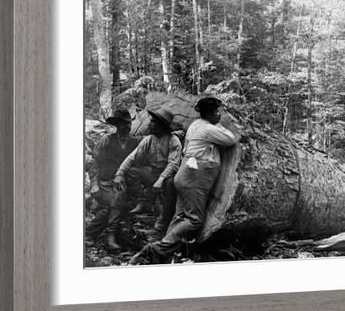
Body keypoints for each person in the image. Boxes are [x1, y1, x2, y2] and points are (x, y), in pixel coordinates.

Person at [129, 97, 238, 264]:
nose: (219, 115)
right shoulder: (208, 128)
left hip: (185, 174)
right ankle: (156, 249)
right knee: (194, 220)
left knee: (180, 217)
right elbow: (231, 138)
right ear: (209, 114)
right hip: (195, 177)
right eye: (217, 112)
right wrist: (220, 124)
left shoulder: (195, 125)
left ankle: (162, 256)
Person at [113, 106, 183, 237]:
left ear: (162, 125)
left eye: (153, 122)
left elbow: (173, 164)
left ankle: (161, 226)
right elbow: (132, 157)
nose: (150, 124)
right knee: (131, 172)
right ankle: (143, 202)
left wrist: (160, 180)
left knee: (169, 184)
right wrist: (119, 173)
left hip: (169, 176)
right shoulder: (149, 139)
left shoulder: (174, 141)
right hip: (153, 172)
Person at [85, 108, 140, 250]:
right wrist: (94, 185)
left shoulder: (135, 142)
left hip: (122, 183)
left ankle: (91, 235)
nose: (126, 127)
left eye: (128, 123)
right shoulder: (106, 140)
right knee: (113, 204)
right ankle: (106, 236)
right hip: (104, 183)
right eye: (122, 124)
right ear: (116, 125)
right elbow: (93, 163)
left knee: (112, 204)